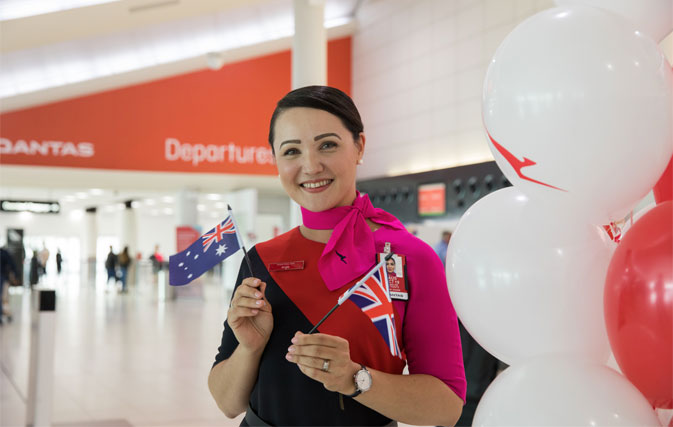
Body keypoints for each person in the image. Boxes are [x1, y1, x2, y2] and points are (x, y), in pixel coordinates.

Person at [208, 86, 466, 426]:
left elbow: (446, 406)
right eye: (291, 151)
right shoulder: (260, 260)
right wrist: (250, 348)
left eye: (327, 145)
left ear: (359, 146)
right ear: (275, 160)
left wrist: (355, 379)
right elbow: (228, 404)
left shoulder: (408, 257)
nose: (311, 165)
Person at [0, 247, 17, 323]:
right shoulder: (4, 253)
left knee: (4, 298)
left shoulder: (4, 253)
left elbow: (12, 264)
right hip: (3, 278)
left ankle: (5, 314)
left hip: (3, 278)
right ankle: (6, 314)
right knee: (4, 298)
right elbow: (12, 265)